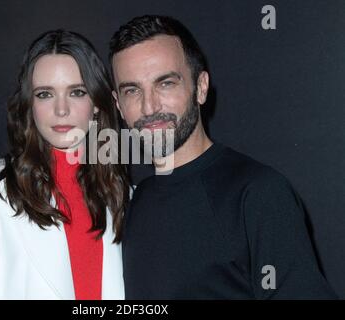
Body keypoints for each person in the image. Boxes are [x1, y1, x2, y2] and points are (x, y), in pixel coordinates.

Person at [109, 15, 338, 299]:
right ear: (118, 105)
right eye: (132, 90)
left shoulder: (259, 194)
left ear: (201, 87)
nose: (149, 106)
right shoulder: (132, 205)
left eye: (165, 83)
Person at [0, 30, 129, 299]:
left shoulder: (122, 194)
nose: (61, 109)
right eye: (45, 94)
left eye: (77, 92)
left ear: (96, 103)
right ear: (29, 104)